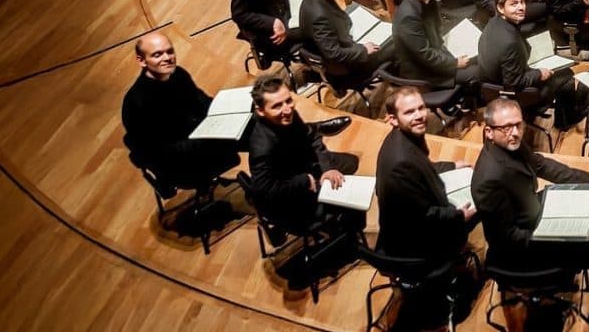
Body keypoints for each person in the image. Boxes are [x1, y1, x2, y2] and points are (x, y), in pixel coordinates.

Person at [471, 98, 589, 332]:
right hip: (520, 251)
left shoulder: (508, 146)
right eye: (506, 127)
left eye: (518, 124)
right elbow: (507, 239)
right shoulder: (490, 179)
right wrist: (557, 235)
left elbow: (540, 164)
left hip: (528, 215)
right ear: (489, 132)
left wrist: (586, 179)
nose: (514, 132)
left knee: (583, 199)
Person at [241, 73, 363, 240]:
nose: (287, 109)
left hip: (301, 165)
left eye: (288, 100)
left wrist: (328, 169)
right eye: (277, 106)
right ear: (260, 110)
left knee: (351, 163)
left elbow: (311, 136)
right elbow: (265, 191)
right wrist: (305, 180)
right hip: (290, 200)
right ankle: (344, 237)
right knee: (352, 203)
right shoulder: (262, 148)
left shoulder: (288, 115)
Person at [120, 32, 242, 191]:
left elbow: (203, 102)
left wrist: (229, 110)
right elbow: (161, 152)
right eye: (157, 55)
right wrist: (211, 136)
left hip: (201, 141)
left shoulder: (178, 74)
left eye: (170, 51)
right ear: (141, 60)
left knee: (255, 123)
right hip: (179, 164)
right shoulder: (138, 102)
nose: (167, 58)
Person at [374, 87, 480, 260]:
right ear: (393, 119)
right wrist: (459, 215)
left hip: (417, 219)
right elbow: (422, 216)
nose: (419, 116)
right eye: (409, 112)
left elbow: (421, 167)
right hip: (416, 243)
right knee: (486, 202)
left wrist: (453, 165)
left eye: (421, 108)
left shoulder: (401, 137)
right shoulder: (401, 162)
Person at [477, 0, 588, 127]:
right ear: (500, 7)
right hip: (512, 93)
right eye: (514, 4)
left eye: (522, 2)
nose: (521, 7)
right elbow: (514, 83)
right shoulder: (510, 42)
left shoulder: (492, 23)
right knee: (567, 76)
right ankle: (564, 122)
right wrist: (539, 74)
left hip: (493, 85)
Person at [297, 0, 396, 88]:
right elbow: (334, 54)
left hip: (345, 44)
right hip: (346, 69)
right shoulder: (319, 15)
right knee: (397, 41)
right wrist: (363, 50)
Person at [390, 0, 479, 88]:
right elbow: (424, 55)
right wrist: (454, 63)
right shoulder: (408, 16)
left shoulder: (429, 1)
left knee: (480, 56)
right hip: (423, 72)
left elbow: (437, 31)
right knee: (478, 72)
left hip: (437, 54)